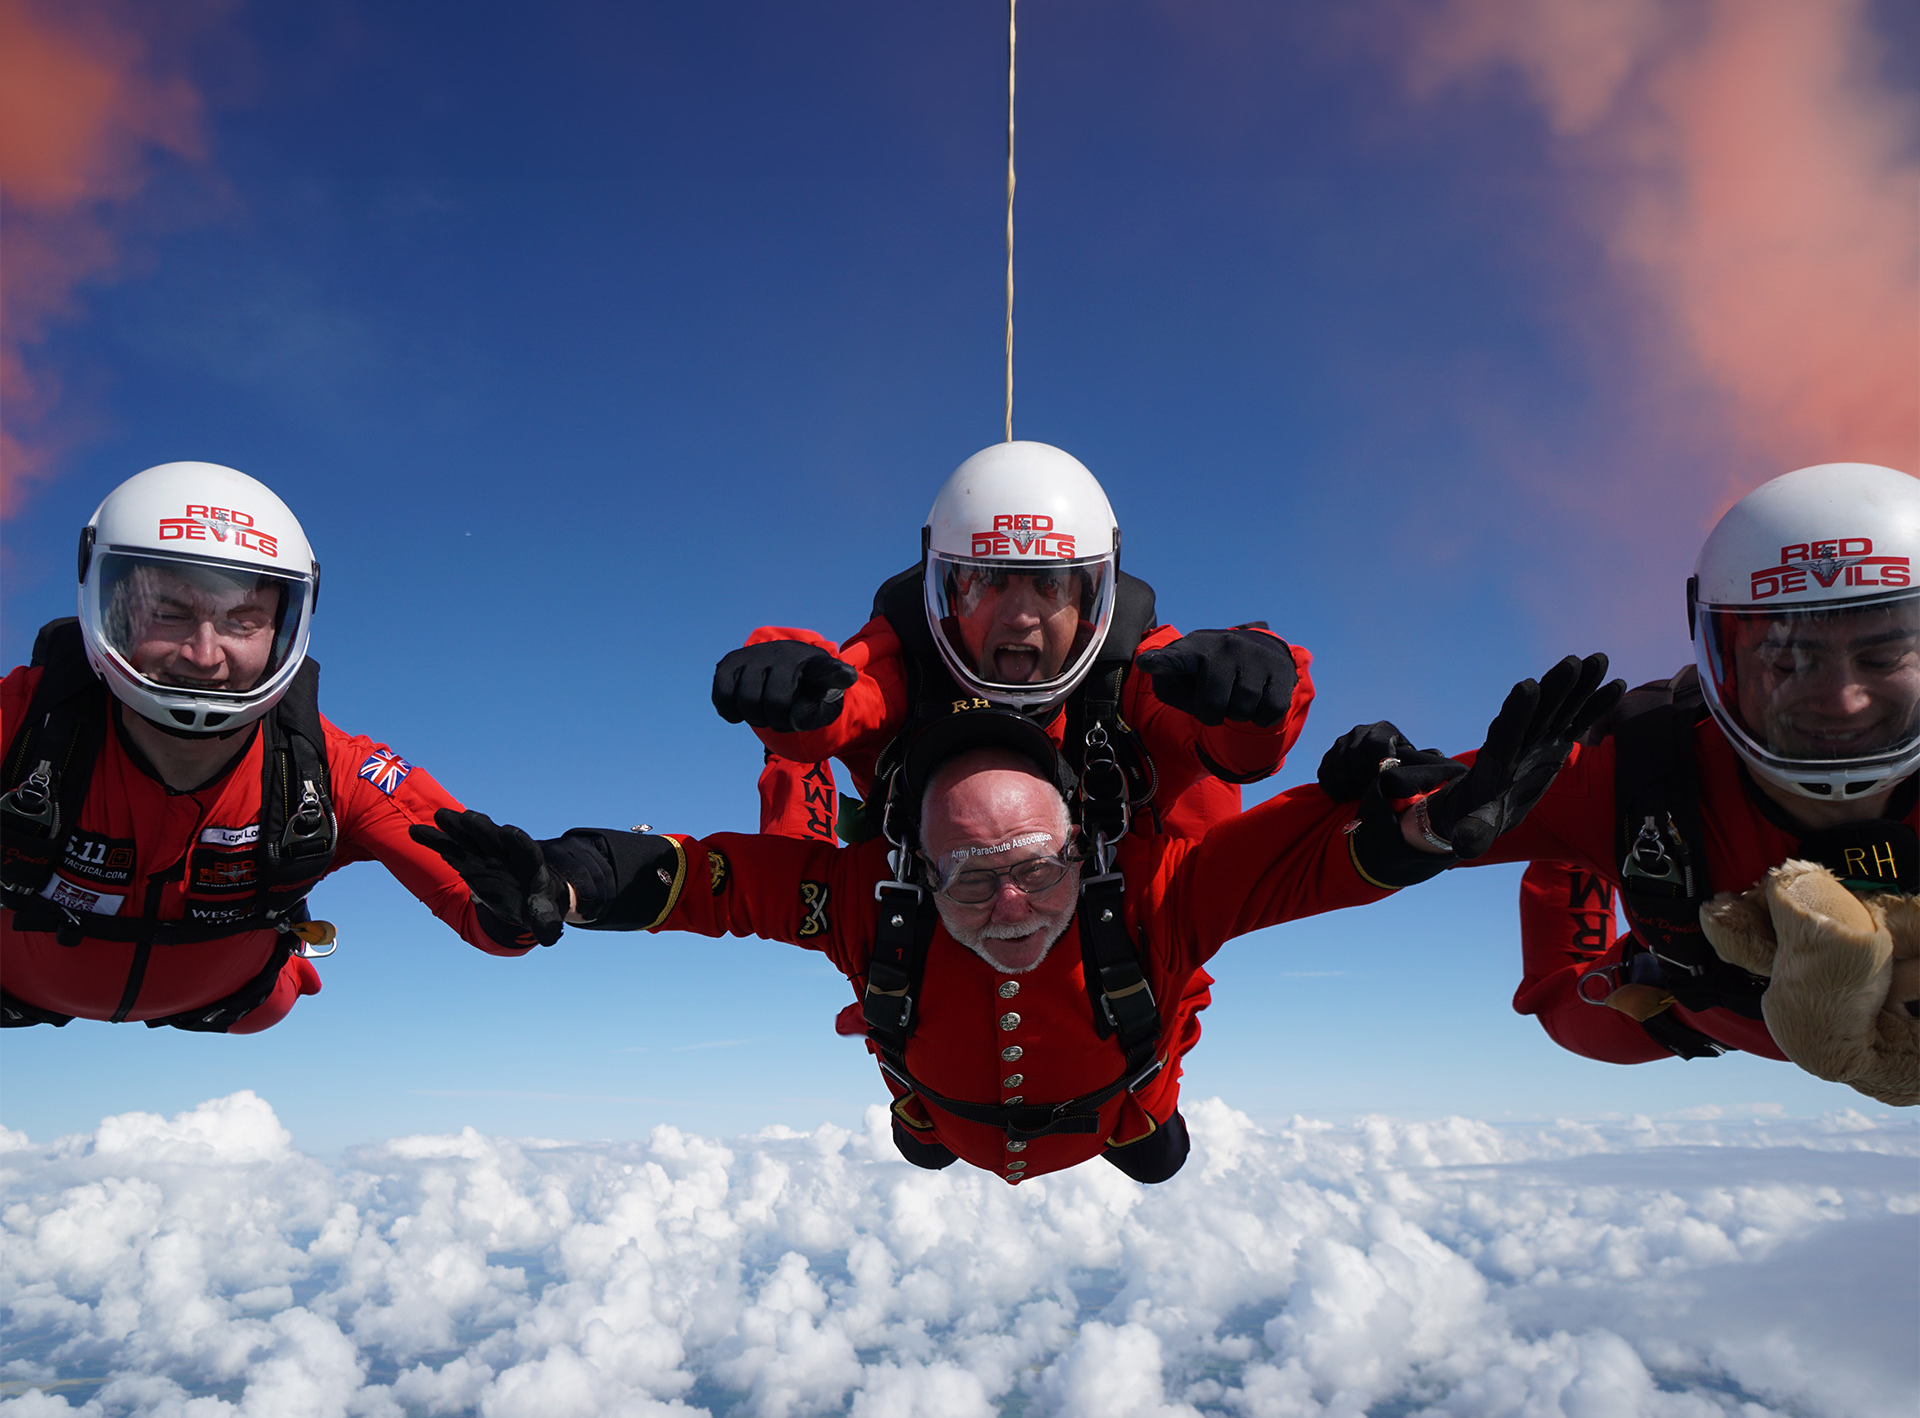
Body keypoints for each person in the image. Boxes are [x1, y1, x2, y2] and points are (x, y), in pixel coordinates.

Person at [413, 654, 1617, 1181]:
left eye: (1038, 867)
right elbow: (702, 879)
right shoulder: (863, 899)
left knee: (1151, 1148)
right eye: (967, 876)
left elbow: (1307, 860)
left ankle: (1083, 1127)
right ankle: (939, 1128)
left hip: (1119, 1105)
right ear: (911, 865)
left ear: (1083, 845)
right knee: (932, 1133)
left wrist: (1434, 824)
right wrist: (564, 879)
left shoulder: (1154, 889)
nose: (1009, 907)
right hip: (953, 1100)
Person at [1329, 463, 1918, 1095]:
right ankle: (1586, 855)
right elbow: (1352, 836)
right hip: (1679, 997)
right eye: (1788, 661)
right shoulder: (1620, 774)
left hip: (1694, 1003)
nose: (1843, 702)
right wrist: (1398, 815)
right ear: (1725, 659)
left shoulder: (1620, 779)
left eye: (1883, 656)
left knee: (1578, 1004)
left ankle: (1594, 855)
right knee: (1569, 1010)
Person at [0, 461, 554, 1034]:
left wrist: (537, 899)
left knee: (267, 1004)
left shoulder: (330, 770)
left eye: (243, 622)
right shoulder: (15, 726)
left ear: (283, 628)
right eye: (168, 613)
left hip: (236, 998)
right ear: (108, 608)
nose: (204, 655)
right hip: (18, 986)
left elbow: (483, 908)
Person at [710, 441, 1314, 845]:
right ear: (948, 592)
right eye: (988, 582)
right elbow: (847, 702)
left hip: (1113, 969)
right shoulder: (910, 663)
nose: (1020, 616)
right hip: (932, 964)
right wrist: (789, 697)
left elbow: (1223, 744)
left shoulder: (1133, 676)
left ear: (1090, 599)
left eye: (1050, 585)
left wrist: (1255, 697)